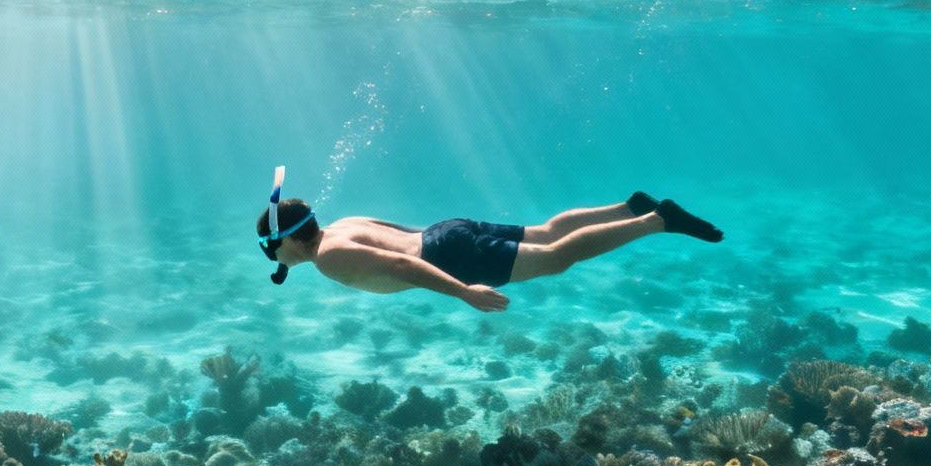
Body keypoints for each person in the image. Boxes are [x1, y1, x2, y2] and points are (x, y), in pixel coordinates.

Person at [257, 179, 723, 312]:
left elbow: (402, 267)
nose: (271, 261)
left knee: (556, 257)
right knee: (543, 231)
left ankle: (655, 220)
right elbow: (399, 230)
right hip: (445, 232)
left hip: (447, 256)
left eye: (268, 249)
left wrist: (465, 290)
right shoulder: (342, 224)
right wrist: (453, 238)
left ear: (287, 241)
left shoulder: (330, 259)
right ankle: (625, 206)